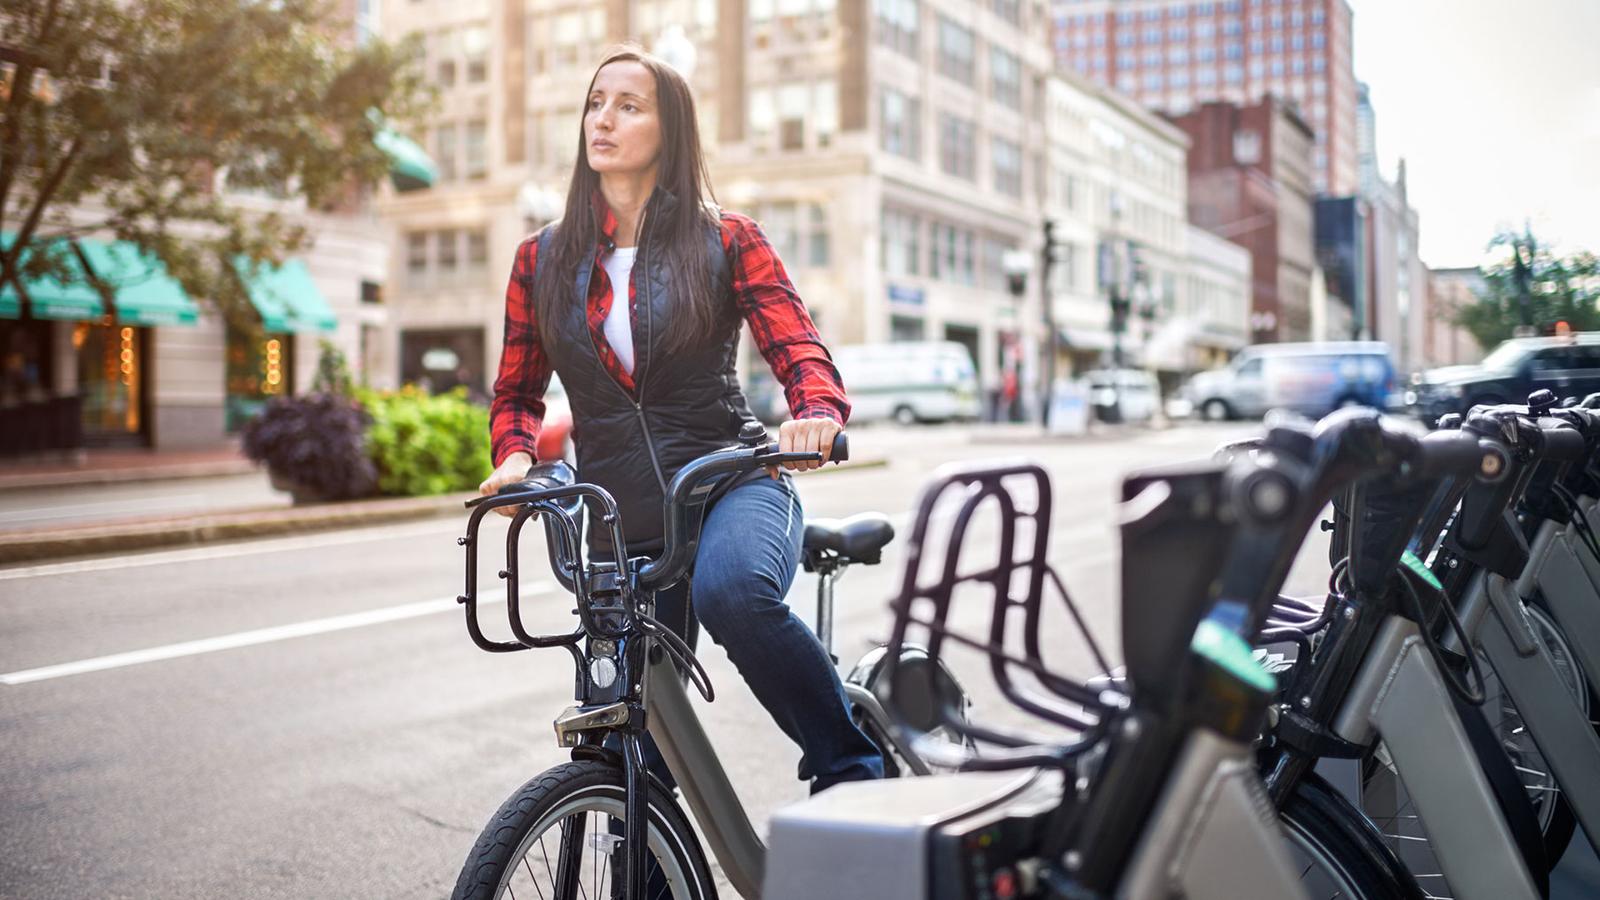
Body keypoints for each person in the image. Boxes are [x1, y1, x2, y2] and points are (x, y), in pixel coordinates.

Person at [478, 45, 884, 795]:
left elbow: (800, 350)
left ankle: (853, 766)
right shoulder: (541, 259)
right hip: (618, 512)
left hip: (731, 481)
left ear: (671, 129)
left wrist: (817, 416)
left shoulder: (726, 239)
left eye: (628, 106)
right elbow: (515, 392)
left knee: (731, 593)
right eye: (596, 102)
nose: (604, 119)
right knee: (635, 741)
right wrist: (513, 455)